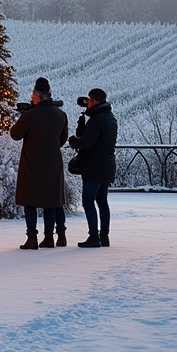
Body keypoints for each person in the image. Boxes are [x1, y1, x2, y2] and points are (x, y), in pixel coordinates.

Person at [10, 76, 69, 250]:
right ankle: (49, 237)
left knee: (30, 201)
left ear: (36, 95)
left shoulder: (30, 115)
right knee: (50, 202)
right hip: (52, 163)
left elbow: (15, 134)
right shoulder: (61, 115)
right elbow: (62, 139)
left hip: (31, 163)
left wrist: (23, 115)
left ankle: (32, 238)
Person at [68, 88, 118, 247]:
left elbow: (87, 142)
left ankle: (94, 237)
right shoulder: (110, 118)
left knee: (88, 200)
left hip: (94, 166)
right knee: (102, 201)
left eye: (89, 100)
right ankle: (104, 236)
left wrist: (74, 142)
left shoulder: (97, 120)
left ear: (94, 101)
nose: (87, 102)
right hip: (107, 165)